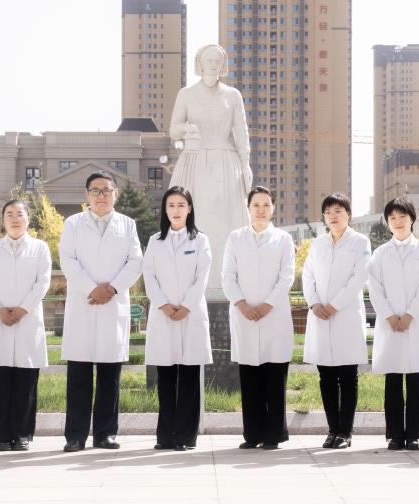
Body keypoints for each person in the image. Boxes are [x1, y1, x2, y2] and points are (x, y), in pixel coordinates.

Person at [60, 171, 143, 452]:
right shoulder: (73, 224)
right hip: (83, 303)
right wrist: (91, 288)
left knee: (110, 376)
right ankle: (75, 436)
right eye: (95, 190)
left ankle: (105, 433)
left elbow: (135, 262)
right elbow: (68, 260)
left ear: (115, 194)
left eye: (106, 190)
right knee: (79, 376)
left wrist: (112, 289)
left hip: (112, 304)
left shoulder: (127, 225)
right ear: (87, 195)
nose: (101, 195)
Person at [169, 43, 252, 296]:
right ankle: (192, 283)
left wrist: (245, 164)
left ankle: (227, 284)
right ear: (200, 63)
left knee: (226, 224)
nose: (213, 64)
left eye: (217, 60)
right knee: (196, 220)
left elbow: (241, 133)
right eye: (209, 60)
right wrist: (187, 128)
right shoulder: (186, 94)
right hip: (195, 162)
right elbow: (173, 130)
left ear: (223, 64)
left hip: (226, 163)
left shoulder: (232, 95)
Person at [221, 186, 295, 450]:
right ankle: (252, 435)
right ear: (248, 208)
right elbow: (228, 276)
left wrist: (267, 305)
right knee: (250, 379)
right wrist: (242, 304)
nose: (261, 210)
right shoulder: (235, 238)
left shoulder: (283, 239)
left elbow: (286, 276)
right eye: (256, 205)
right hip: (244, 316)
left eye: (266, 205)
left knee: (275, 378)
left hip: (274, 316)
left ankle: (274, 434)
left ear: (273, 208)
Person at [0, 199, 52, 452]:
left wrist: (22, 309)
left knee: (26, 383)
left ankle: (22, 435)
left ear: (28, 219)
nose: (15, 219)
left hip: (27, 319)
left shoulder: (40, 248)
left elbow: (42, 282)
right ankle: (1, 435)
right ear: (3, 220)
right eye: (9, 214)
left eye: (20, 214)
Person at [142, 186, 212, 451]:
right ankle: (165, 435)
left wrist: (185, 306)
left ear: (189, 209)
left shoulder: (200, 241)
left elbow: (202, 278)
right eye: (171, 205)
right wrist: (163, 305)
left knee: (189, 378)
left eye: (181, 205)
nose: (176, 210)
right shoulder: (155, 241)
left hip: (190, 315)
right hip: (164, 315)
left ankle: (185, 436)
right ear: (165, 209)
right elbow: (149, 276)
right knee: (166, 378)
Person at [367, 197, 419, 451]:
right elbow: (375, 288)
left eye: (402, 217)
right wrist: (390, 315)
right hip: (390, 324)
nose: (398, 222)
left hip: (415, 323)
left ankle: (415, 435)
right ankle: (395, 434)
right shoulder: (380, 254)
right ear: (388, 222)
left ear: (412, 219)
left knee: (416, 380)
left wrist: (409, 315)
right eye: (392, 218)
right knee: (393, 380)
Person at [302, 193, 371, 450]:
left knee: (348, 376)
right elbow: (308, 275)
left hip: (345, 315)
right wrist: (314, 303)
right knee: (326, 377)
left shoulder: (360, 242)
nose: (333, 216)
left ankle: (345, 432)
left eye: (338, 211)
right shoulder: (318, 243)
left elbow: (359, 277)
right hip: (320, 316)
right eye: (328, 212)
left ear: (348, 215)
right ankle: (332, 430)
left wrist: (334, 305)